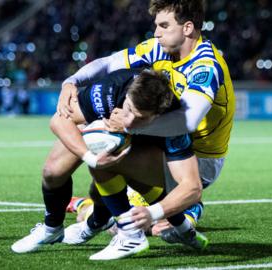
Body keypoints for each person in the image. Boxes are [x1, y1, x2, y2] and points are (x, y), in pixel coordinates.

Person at [59, 0, 235, 237]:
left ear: (187, 28)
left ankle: (182, 204)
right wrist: (71, 82)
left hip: (199, 159)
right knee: (101, 143)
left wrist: (130, 127)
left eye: (164, 25)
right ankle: (97, 210)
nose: (156, 33)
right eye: (156, 25)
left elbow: (189, 120)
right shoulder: (158, 48)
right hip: (165, 143)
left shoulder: (205, 65)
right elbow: (109, 63)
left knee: (112, 169)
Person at [11, 69, 207, 256]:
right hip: (120, 146)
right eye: (128, 108)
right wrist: (90, 158)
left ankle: (130, 235)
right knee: (53, 171)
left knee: (110, 153)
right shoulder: (113, 88)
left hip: (159, 164)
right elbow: (58, 121)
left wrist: (152, 213)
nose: (129, 120)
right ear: (128, 94)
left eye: (139, 118)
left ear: (157, 117)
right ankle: (52, 227)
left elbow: (192, 187)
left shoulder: (174, 121)